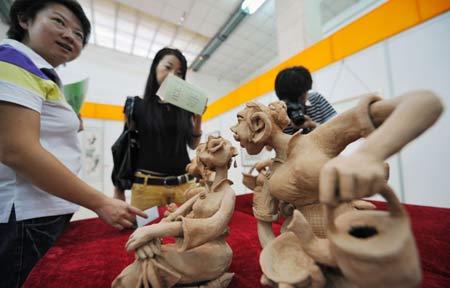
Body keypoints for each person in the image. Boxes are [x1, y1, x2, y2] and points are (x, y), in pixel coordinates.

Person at [0, 1, 146, 287]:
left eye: (79, 35)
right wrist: (100, 202)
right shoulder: (12, 59)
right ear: (25, 19)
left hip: (43, 213)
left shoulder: (44, 75)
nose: (70, 36)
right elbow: (16, 149)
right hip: (26, 217)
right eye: (59, 22)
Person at [112, 136, 237, 288]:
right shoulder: (202, 193)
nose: (203, 169)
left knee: (146, 268)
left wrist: (155, 231)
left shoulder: (227, 193)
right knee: (146, 262)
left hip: (215, 253)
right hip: (191, 248)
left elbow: (214, 225)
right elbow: (173, 217)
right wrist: (150, 238)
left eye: (205, 165)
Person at [113, 48, 204, 211]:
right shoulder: (135, 105)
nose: (173, 75)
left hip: (184, 186)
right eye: (168, 67)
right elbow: (126, 147)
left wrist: (199, 117)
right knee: (146, 235)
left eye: (179, 72)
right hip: (147, 189)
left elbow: (193, 144)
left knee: (186, 234)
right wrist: (119, 189)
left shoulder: (185, 108)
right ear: (155, 67)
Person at [274, 66, 337, 134]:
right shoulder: (277, 116)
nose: (295, 105)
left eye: (301, 98)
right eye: (291, 101)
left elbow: (337, 130)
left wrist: (313, 125)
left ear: (307, 91)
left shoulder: (316, 99)